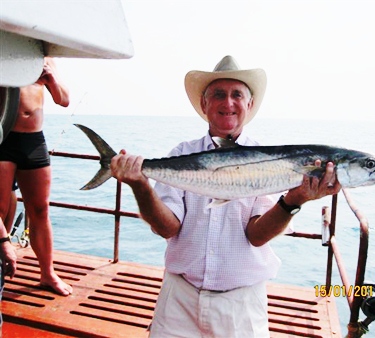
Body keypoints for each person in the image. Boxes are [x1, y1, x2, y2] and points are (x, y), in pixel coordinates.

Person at [110, 55, 341, 337]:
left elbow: (256, 236)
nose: (228, 103)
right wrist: (141, 186)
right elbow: (167, 227)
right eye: (219, 94)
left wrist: (294, 201)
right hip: (178, 299)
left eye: (237, 95)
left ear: (249, 104)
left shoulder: (272, 160)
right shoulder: (182, 153)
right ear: (205, 104)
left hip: (241, 305)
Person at [0, 57, 73, 296]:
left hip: (34, 140)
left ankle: (47, 274)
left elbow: (64, 100)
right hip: (3, 137)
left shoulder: (44, 58)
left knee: (40, 210)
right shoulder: (6, 49)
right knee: (0, 210)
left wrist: (50, 80)